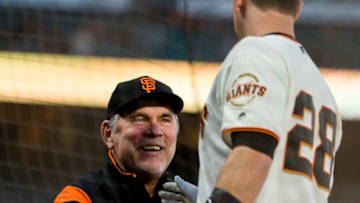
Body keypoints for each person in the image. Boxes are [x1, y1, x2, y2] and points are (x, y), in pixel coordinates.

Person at [159, 0, 342, 202]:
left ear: (239, 4)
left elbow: (254, 156)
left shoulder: (257, 51)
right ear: (298, 8)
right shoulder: (321, 86)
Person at [53, 75, 184, 203]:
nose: (155, 131)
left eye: (165, 120)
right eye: (139, 119)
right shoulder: (79, 197)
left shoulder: (190, 197)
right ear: (108, 134)